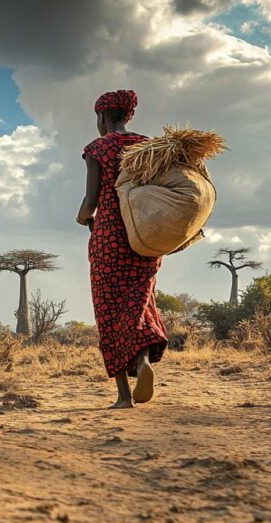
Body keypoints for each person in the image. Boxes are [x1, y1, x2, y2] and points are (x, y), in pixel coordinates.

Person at [75, 89, 168, 409]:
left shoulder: (97, 149)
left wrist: (81, 217)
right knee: (138, 306)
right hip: (143, 240)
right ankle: (142, 363)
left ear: (102, 117)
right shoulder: (149, 148)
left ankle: (124, 396)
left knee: (110, 312)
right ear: (128, 116)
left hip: (109, 242)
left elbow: (91, 201)